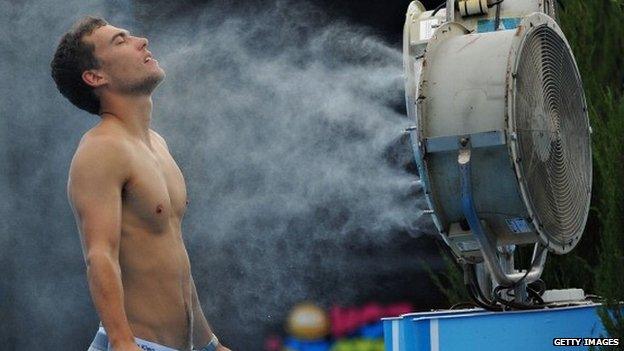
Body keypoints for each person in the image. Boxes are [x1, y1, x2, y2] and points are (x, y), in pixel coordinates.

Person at [50, 16, 231, 351]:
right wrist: (121, 342)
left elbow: (172, 258)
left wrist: (209, 344)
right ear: (95, 76)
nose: (142, 40)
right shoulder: (101, 149)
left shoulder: (157, 143)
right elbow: (100, 255)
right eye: (120, 41)